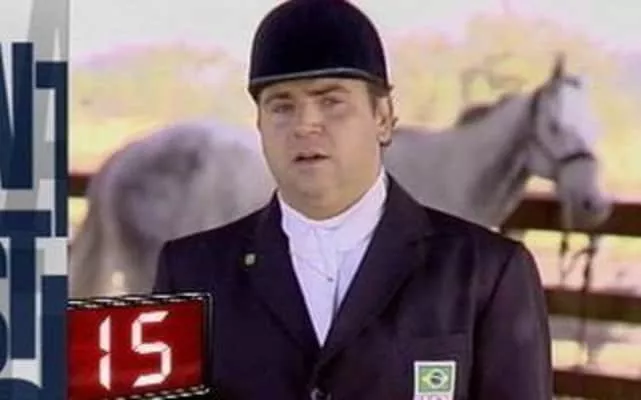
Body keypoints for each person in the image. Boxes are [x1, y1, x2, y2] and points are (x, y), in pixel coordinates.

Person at [152, 0, 553, 399]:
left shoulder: (487, 273)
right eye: (282, 106)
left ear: (383, 118)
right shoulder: (186, 272)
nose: (305, 124)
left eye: (331, 101)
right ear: (259, 123)